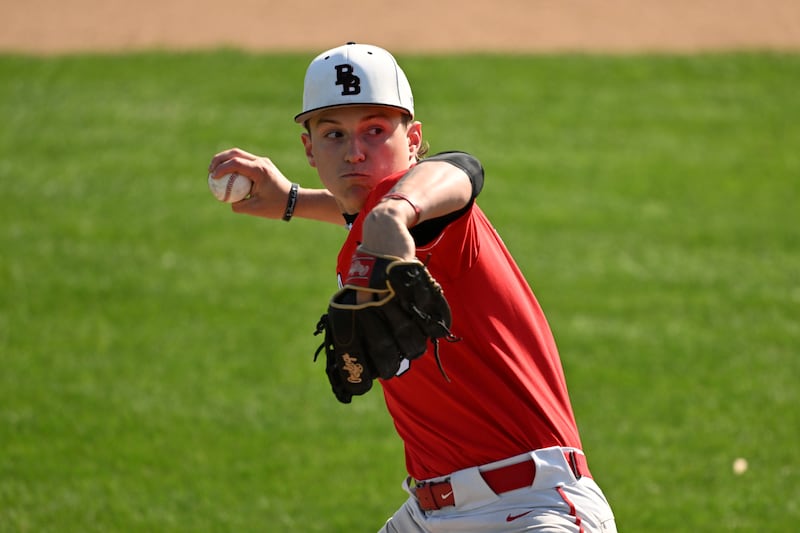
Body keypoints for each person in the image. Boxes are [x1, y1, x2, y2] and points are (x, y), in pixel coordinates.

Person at [208, 42, 617, 532]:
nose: (355, 151)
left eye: (375, 130)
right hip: (427, 513)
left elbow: (462, 169)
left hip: (534, 509)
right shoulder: (375, 226)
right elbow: (357, 209)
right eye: (334, 133)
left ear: (414, 139)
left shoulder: (428, 209)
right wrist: (292, 199)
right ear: (309, 150)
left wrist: (394, 211)